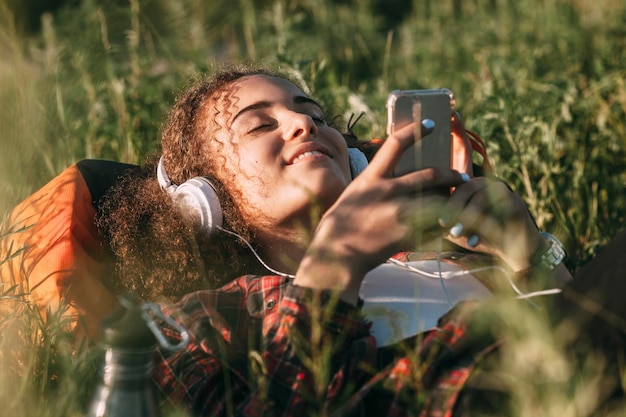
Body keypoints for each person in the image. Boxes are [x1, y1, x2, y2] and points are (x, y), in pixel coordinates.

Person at [97, 63, 611, 416]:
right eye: (258, 126)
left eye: (317, 116)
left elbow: (585, 321)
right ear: (203, 198)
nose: (303, 123)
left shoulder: (449, 255)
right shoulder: (206, 321)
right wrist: (332, 268)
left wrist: (530, 254)